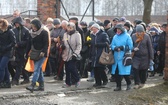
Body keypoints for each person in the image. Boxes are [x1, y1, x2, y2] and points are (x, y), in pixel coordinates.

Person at [26, 18, 49, 92]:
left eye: (34, 26)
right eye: (32, 26)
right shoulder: (31, 33)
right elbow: (29, 44)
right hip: (34, 53)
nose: (33, 28)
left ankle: (33, 84)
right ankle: (41, 86)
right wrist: (26, 53)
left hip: (42, 53)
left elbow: (46, 44)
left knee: (36, 69)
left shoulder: (44, 32)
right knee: (39, 69)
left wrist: (43, 52)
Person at [111, 24, 133, 91]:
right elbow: (112, 45)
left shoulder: (127, 36)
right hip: (116, 57)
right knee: (117, 72)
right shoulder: (115, 37)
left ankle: (129, 84)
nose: (118, 31)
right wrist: (115, 48)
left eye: (119, 29)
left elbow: (130, 46)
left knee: (125, 73)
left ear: (122, 30)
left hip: (124, 57)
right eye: (117, 29)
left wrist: (122, 47)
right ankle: (118, 86)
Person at [132, 25, 154, 89]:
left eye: (141, 32)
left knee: (143, 70)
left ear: (143, 31)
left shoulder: (146, 36)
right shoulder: (133, 36)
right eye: (138, 32)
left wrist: (151, 57)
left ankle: (142, 82)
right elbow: (130, 45)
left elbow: (150, 47)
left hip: (145, 57)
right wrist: (133, 48)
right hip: (136, 56)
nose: (139, 33)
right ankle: (136, 83)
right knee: (135, 68)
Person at [11, 16, 30, 85]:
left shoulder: (26, 31)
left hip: (23, 50)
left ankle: (16, 79)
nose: (16, 24)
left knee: (20, 65)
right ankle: (26, 78)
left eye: (17, 23)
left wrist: (18, 44)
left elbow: (27, 41)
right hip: (16, 51)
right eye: (15, 23)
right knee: (20, 65)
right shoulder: (14, 30)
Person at [62, 22, 81, 88]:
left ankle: (77, 79)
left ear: (73, 28)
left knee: (72, 67)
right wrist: (62, 46)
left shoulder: (77, 34)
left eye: (71, 28)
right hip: (66, 54)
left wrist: (75, 54)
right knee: (67, 69)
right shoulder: (65, 34)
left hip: (73, 54)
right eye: (68, 28)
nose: (69, 29)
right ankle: (68, 82)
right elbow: (64, 42)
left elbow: (79, 45)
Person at [0, 19, 16, 88]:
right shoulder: (0, 32)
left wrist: (6, 47)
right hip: (1, 51)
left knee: (2, 67)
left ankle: (1, 81)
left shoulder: (10, 32)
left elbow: (13, 42)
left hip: (7, 52)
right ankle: (7, 82)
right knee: (5, 67)